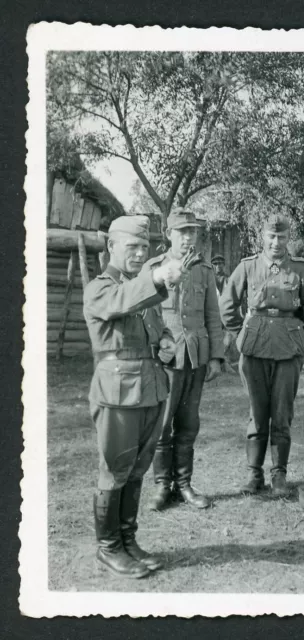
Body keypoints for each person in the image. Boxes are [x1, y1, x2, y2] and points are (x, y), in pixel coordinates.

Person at [83, 215, 185, 579]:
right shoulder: (101, 288)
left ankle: (128, 540)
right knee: (115, 470)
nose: (141, 253)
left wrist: (166, 343)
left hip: (150, 388)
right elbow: (121, 302)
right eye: (133, 246)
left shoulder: (142, 288)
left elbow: (155, 332)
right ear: (112, 247)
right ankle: (108, 548)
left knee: (137, 469)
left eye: (146, 247)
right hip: (118, 394)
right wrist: (157, 277)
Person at [220, 215, 304, 497]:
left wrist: (297, 334)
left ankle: (279, 474)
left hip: (288, 350)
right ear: (262, 237)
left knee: (282, 412)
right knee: (257, 411)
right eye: (271, 237)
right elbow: (227, 304)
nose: (277, 243)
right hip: (254, 348)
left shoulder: (301, 269)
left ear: (289, 239)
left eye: (283, 237)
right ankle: (254, 475)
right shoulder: (248, 266)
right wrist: (243, 333)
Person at [147, 208, 224, 511]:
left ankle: (184, 485)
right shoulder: (155, 268)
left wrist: (216, 357)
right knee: (163, 424)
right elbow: (147, 314)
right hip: (167, 358)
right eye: (182, 231)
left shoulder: (204, 271)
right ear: (169, 235)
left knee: (189, 424)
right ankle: (161, 487)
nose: (189, 237)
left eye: (193, 231)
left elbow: (212, 316)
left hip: (196, 357)